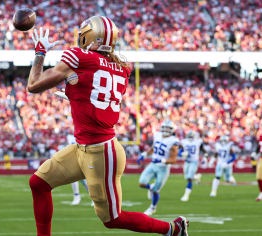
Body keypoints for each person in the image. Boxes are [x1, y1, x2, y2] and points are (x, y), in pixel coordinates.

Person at [27, 16, 188, 236]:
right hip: (82, 147)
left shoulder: (78, 56)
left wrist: (39, 53)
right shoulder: (122, 67)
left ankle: (172, 228)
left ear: (89, 37)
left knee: (112, 219)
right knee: (39, 183)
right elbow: (96, 92)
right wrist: (75, 95)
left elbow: (34, 85)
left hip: (101, 152)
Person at [137, 120, 179, 216]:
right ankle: (151, 187)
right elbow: (153, 148)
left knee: (156, 190)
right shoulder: (157, 135)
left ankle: (152, 208)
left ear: (172, 130)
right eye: (164, 127)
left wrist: (162, 161)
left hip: (163, 168)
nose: (165, 130)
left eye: (168, 128)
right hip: (153, 164)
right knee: (141, 183)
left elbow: (173, 159)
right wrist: (144, 154)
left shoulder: (174, 141)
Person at [179, 130, 206, 202]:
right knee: (186, 177)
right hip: (187, 162)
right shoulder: (184, 141)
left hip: (194, 161)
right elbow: (180, 150)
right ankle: (197, 176)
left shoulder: (198, 141)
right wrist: (181, 153)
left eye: (192, 136)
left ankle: (186, 195)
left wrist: (205, 156)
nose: (190, 137)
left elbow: (202, 149)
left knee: (189, 178)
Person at [67, 133, 90, 205]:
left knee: (85, 181)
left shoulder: (83, 135)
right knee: (73, 178)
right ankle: (76, 196)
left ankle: (94, 198)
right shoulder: (69, 136)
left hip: (83, 159)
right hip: (74, 159)